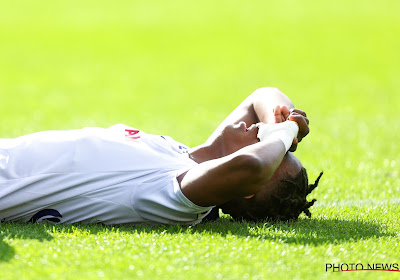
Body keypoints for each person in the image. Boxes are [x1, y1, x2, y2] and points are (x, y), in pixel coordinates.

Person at [0, 87, 321, 225]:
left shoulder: (177, 197)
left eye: (265, 143)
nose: (260, 130)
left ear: (246, 186)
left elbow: (250, 165)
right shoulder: (182, 155)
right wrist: (285, 121)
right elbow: (263, 95)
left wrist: (281, 136)